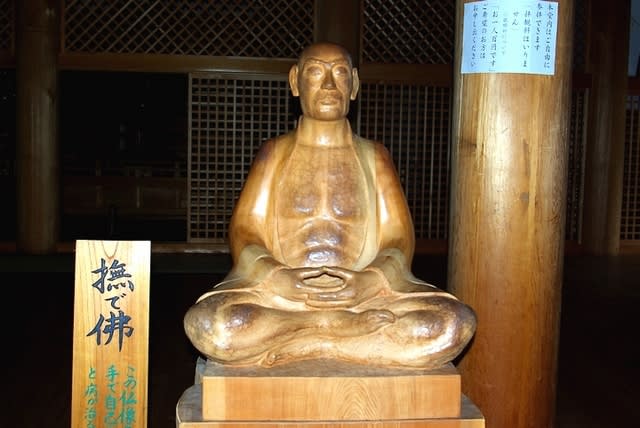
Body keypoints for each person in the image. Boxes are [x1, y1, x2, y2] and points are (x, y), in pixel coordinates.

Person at [184, 42, 476, 369]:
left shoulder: (374, 156)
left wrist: (372, 279)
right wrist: (276, 276)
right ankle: (330, 331)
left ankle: (307, 341)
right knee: (209, 324)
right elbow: (245, 230)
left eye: (339, 73)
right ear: (295, 81)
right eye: (315, 72)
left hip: (363, 300)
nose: (328, 85)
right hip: (284, 300)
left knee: (454, 323)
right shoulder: (274, 153)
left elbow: (398, 236)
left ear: (355, 85)